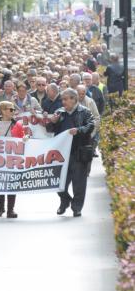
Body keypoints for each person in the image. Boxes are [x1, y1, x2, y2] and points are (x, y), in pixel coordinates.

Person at [47, 88, 95, 217]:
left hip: (78, 152)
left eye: (65, 99)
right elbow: (50, 129)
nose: (63, 102)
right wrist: (52, 122)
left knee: (79, 183)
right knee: (58, 183)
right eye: (62, 99)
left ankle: (77, 207)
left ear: (74, 99)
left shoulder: (84, 112)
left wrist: (78, 130)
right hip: (61, 154)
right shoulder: (59, 112)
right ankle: (65, 201)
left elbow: (90, 126)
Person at [0, 102, 26, 218]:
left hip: (12, 158)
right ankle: (0, 207)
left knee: (12, 183)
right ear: (3, 111)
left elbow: (21, 138)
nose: (13, 112)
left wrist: (25, 139)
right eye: (11, 110)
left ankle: (10, 209)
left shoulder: (17, 125)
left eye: (13, 110)